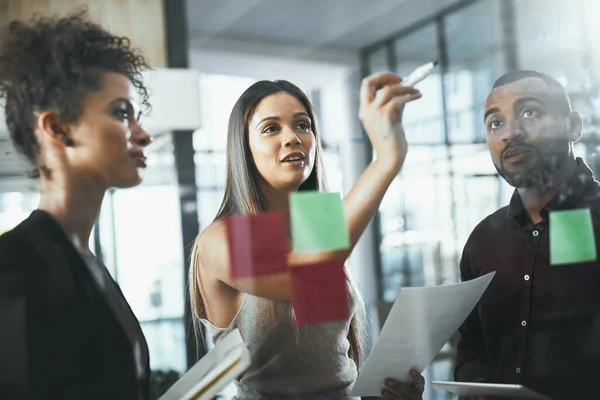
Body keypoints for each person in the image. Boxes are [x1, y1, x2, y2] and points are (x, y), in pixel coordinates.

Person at [189, 74, 426, 399]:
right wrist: (386, 159)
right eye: (271, 128)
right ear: (243, 147)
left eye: (303, 125)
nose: (293, 138)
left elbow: (326, 365)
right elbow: (306, 279)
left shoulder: (316, 221)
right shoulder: (222, 236)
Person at [0, 10, 152, 399]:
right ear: (57, 128)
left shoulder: (87, 261)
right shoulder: (13, 267)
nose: (143, 135)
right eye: (121, 113)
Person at [454, 70, 600, 400]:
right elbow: (471, 347)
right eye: (495, 123)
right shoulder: (482, 241)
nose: (510, 133)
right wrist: (476, 385)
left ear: (572, 126)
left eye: (529, 112)